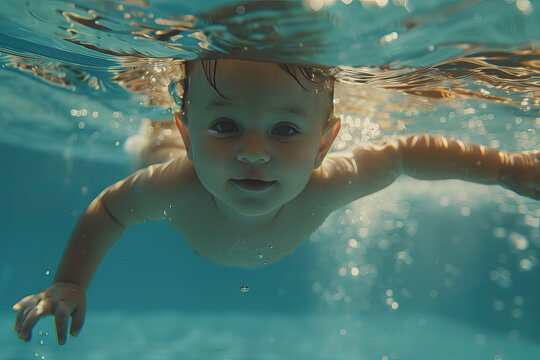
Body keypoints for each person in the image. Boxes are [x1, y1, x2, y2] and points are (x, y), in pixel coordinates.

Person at [13, 58, 539, 346]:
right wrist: (71, 281)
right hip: (172, 155)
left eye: (286, 130)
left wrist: (508, 168)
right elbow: (109, 208)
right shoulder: (173, 185)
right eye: (224, 125)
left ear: (324, 145)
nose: (255, 153)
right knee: (152, 153)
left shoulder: (328, 182)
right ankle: (162, 135)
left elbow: (404, 152)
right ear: (191, 133)